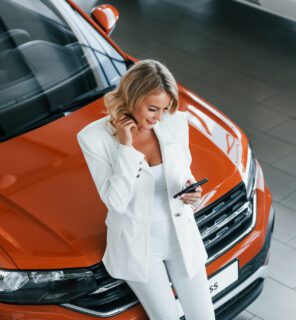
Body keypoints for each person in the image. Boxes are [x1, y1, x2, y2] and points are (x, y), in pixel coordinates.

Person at [76, 60, 216, 320]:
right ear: (132, 97)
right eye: (153, 108)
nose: (159, 117)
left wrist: (191, 194)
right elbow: (115, 202)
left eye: (164, 109)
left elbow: (184, 174)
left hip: (180, 238)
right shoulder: (93, 138)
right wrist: (125, 149)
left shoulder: (175, 123)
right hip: (139, 247)